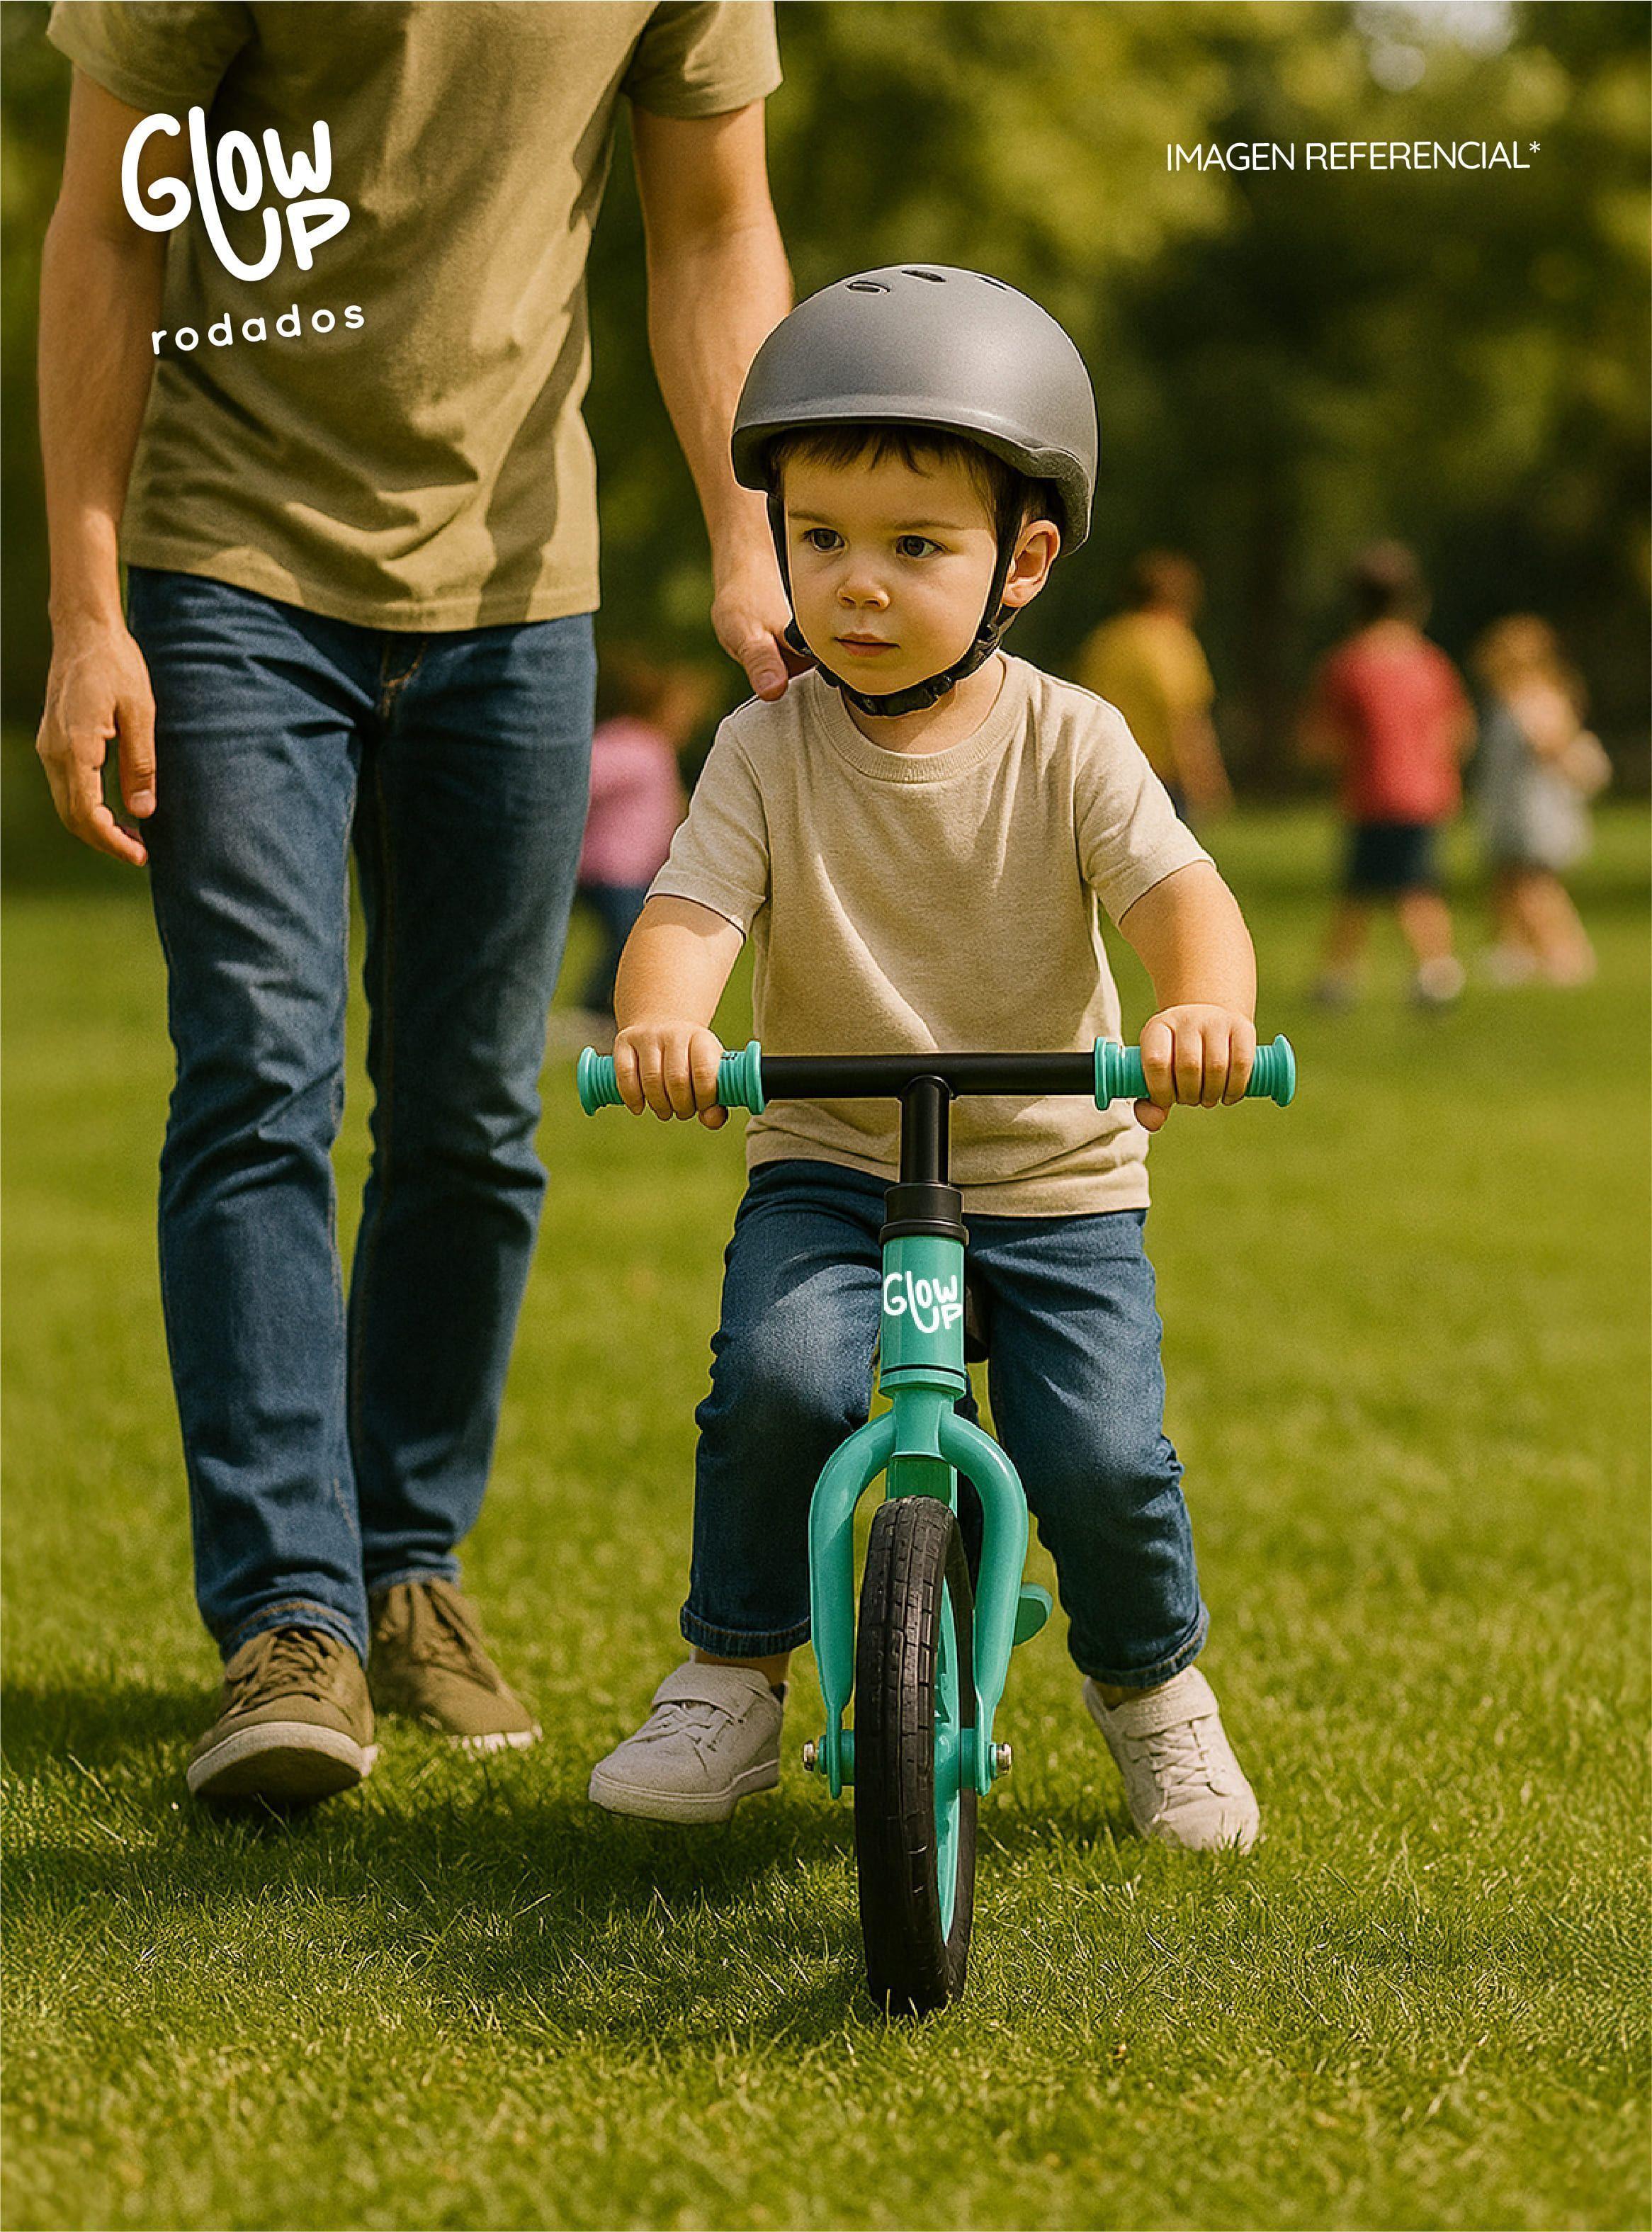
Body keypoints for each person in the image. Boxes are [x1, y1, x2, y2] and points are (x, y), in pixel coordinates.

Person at [33, 3, 793, 1805]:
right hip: (231, 563)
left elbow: (712, 226)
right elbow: (110, 222)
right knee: (259, 1077)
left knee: (470, 1115)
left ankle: (405, 1568)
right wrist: (87, 611)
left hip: (519, 590)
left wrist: (747, 531)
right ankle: (288, 1615)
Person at [585, 266, 1265, 1852]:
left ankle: (1152, 1692)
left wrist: (1198, 1009)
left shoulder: (1070, 738)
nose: (857, 585)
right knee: (776, 1385)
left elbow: (1184, 902)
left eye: (914, 547)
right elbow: (686, 913)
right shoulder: (763, 746)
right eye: (819, 539)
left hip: (1055, 1177)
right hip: (830, 1167)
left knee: (1102, 1455)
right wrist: (663, 1022)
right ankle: (730, 1674)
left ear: (1019, 560)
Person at [1300, 543, 1475, 1008]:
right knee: (1403, 883)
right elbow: (1458, 729)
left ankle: (1429, 972)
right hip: (1424, 794)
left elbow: (1322, 739)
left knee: (1382, 889)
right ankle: (1365, 974)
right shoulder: (1431, 662)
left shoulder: (1348, 664)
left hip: (1372, 793)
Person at [565, 653, 710, 1051]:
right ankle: (597, 1012)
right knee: (628, 937)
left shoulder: (654, 747)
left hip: (634, 869)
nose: (687, 723)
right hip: (610, 867)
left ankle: (605, 1012)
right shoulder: (634, 742)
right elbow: (582, 779)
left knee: (628, 936)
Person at [1470, 616, 1607, 987]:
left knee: (1534, 886)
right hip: (1512, 807)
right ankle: (1519, 952)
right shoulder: (1508, 700)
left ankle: (1565, 956)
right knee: (1509, 883)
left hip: (1535, 809)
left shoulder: (1537, 699)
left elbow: (1553, 746)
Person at [1075, 550, 1233, 820]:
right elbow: (1185, 720)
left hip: (1101, 776)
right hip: (1159, 781)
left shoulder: (1104, 641)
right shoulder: (1170, 640)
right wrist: (1205, 780)